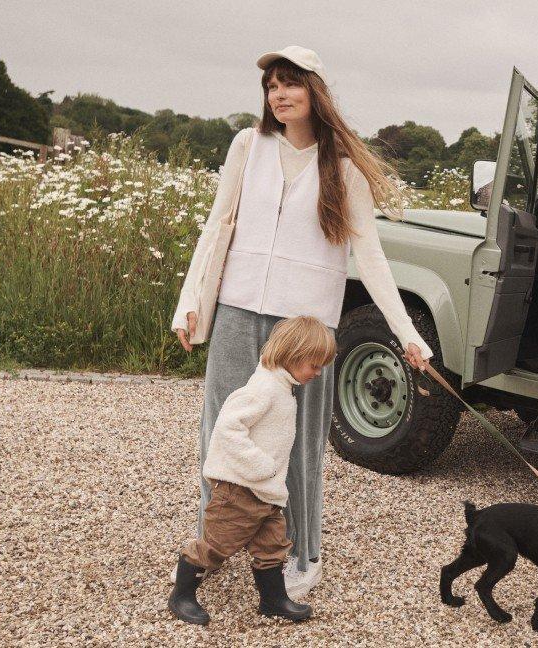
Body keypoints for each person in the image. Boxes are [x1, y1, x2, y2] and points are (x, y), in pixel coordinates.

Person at [172, 44, 433, 599]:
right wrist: (190, 300)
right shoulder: (248, 145)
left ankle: (298, 553)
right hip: (239, 309)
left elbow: (373, 258)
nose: (278, 94)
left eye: (289, 83)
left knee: (298, 441)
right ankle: (208, 545)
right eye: (271, 86)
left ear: (315, 91)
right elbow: (218, 225)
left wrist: (407, 334)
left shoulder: (343, 170)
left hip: (306, 328)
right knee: (220, 429)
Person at [169, 316, 336, 625]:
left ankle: (273, 600)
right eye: (314, 365)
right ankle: (181, 595)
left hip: (265, 493)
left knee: (272, 546)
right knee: (215, 546)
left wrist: (269, 478)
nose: (318, 372)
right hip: (239, 490)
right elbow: (229, 427)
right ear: (295, 355)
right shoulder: (264, 388)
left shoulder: (282, 387)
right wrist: (261, 466)